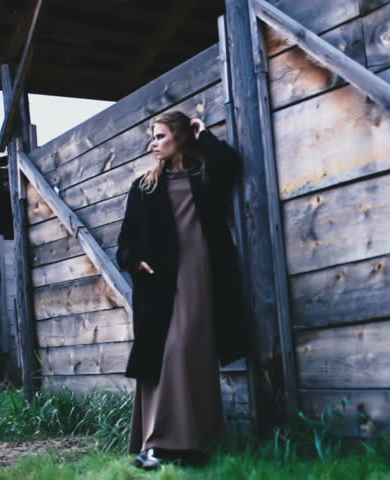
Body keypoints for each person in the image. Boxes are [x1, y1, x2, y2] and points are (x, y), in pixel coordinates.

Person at [116, 111, 250, 469]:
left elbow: (229, 161)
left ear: (179, 137)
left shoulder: (205, 173)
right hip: (159, 282)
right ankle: (158, 443)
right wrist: (134, 261)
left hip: (202, 273)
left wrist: (201, 132)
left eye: (160, 136)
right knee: (165, 350)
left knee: (193, 349)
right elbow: (125, 240)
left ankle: (194, 440)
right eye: (153, 137)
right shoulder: (143, 186)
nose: (154, 143)